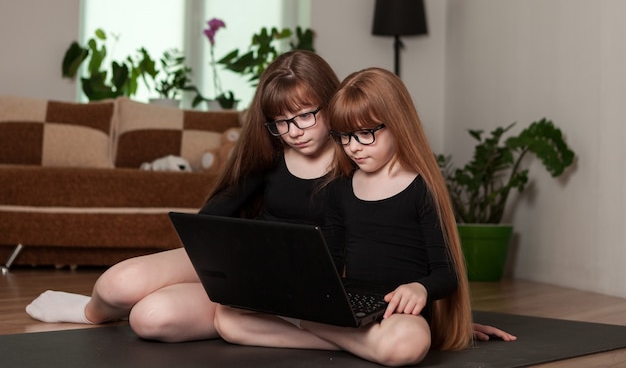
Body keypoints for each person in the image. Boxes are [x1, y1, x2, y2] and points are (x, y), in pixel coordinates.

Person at [26, 51, 515, 345]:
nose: (295, 132)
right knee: (116, 285)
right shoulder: (269, 154)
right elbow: (212, 220)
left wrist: (446, 312)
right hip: (241, 259)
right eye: (281, 122)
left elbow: (395, 248)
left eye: (306, 116)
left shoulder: (360, 161)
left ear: (332, 101)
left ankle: (249, 320)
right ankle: (86, 313)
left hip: (293, 286)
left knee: (153, 319)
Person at [212, 67, 514, 366]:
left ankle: (331, 336)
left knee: (407, 344)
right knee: (228, 319)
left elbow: (446, 273)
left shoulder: (421, 190)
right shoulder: (339, 188)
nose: (353, 147)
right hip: (351, 307)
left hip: (398, 314)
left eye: (365, 134)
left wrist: (419, 288)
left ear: (397, 124)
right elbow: (330, 260)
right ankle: (357, 344)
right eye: (344, 137)